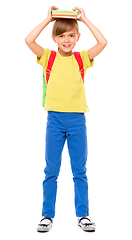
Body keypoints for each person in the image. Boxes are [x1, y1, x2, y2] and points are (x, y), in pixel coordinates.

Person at [25, 6, 107, 232]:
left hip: (77, 120)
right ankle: (47, 216)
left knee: (79, 170)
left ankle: (83, 215)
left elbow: (102, 43)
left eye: (71, 35)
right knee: (51, 170)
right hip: (54, 121)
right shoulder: (48, 57)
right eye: (61, 36)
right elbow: (28, 40)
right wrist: (47, 19)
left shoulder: (81, 59)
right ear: (54, 38)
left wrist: (86, 19)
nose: (67, 40)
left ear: (78, 38)